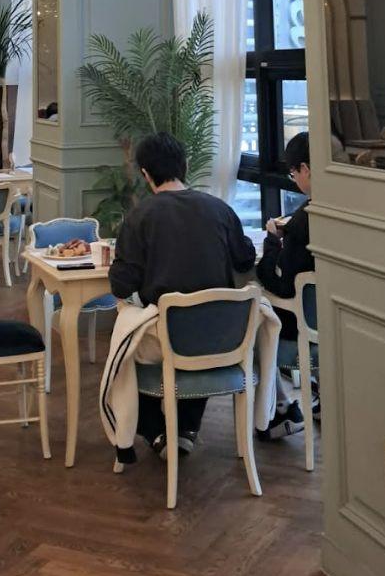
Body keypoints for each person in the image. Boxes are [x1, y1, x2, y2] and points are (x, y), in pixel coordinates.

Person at [109, 131, 257, 457]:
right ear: (185, 165)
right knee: (196, 322)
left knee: (127, 344)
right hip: (226, 336)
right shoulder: (220, 209)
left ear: (145, 174)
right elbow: (245, 258)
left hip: (171, 338)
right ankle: (187, 426)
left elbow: (122, 284)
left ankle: (153, 428)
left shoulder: (140, 217)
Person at [256, 130, 317, 437]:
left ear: (305, 169)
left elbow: (282, 286)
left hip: (301, 330)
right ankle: (318, 396)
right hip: (335, 322)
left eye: (294, 174)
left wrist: (272, 243)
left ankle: (279, 411)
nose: (294, 180)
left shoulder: (304, 221)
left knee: (255, 321)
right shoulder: (344, 211)